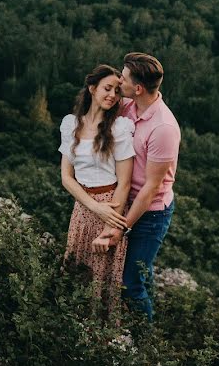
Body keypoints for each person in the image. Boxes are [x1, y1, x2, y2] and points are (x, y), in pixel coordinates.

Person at [92, 52, 180, 321]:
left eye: (124, 77)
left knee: (130, 282)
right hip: (125, 198)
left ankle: (147, 343)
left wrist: (121, 227)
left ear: (138, 88)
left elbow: (151, 189)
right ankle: (153, 312)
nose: (119, 79)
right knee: (141, 271)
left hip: (151, 212)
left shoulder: (163, 128)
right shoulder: (129, 105)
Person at [59, 64, 136, 315]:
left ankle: (102, 344)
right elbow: (66, 177)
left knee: (102, 281)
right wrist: (92, 207)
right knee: (76, 273)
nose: (113, 95)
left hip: (112, 205)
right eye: (107, 88)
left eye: (117, 90)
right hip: (82, 208)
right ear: (92, 88)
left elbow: (125, 182)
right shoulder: (71, 124)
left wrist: (110, 225)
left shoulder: (120, 129)